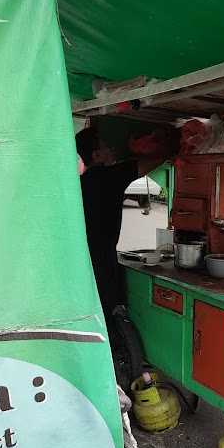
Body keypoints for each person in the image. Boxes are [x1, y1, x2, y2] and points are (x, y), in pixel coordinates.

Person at [75, 125, 173, 338]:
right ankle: (114, 359)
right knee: (111, 315)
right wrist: (163, 146)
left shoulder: (77, 182)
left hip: (82, 261)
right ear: (96, 154)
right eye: (106, 146)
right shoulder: (105, 177)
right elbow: (150, 163)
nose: (111, 150)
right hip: (103, 261)